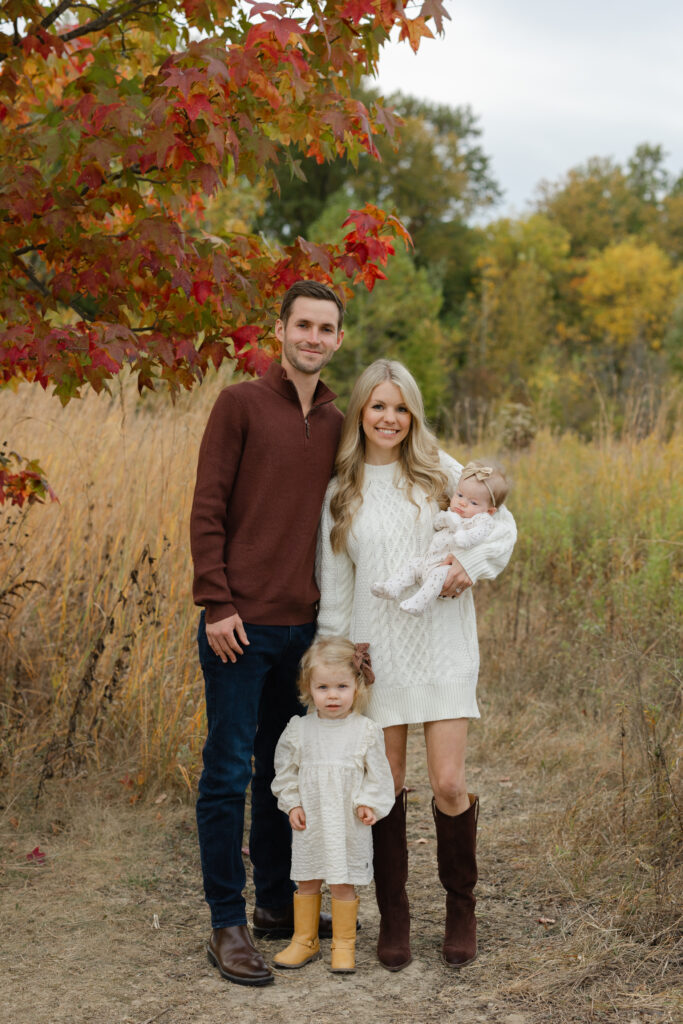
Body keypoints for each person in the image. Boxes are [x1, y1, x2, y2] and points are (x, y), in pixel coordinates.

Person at [316, 359, 517, 971]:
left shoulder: (441, 471)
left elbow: (502, 527)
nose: (389, 418)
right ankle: (394, 915)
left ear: (413, 414)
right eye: (378, 406)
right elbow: (337, 586)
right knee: (387, 788)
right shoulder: (340, 490)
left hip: (444, 648)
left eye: (400, 407)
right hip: (379, 658)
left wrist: (470, 568)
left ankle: (461, 907)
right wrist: (337, 653)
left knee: (450, 784)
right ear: (360, 412)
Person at [190, 280, 345, 987]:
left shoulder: (341, 423)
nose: (313, 337)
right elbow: (207, 506)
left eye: (326, 329)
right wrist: (216, 601)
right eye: (302, 325)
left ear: (338, 340)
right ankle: (227, 922)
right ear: (280, 329)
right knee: (226, 774)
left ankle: (277, 907)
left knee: (282, 775)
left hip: (301, 634)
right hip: (238, 628)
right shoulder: (240, 404)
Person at [271, 636, 395, 973]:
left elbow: (379, 775)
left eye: (341, 686)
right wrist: (292, 802)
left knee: (342, 881)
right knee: (307, 878)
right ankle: (305, 939)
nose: (333, 695)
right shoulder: (299, 730)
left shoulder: (365, 731)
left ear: (356, 686)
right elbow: (285, 771)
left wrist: (369, 803)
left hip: (346, 821)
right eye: (323, 687)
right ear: (309, 688)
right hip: (311, 818)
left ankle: (344, 945)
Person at [371, 460, 510, 616]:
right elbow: (437, 523)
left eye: (473, 502)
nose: (462, 503)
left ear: (490, 511)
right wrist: (447, 519)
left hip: (446, 567)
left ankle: (419, 604)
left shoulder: (482, 521)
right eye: (459, 495)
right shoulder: (453, 513)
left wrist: (462, 534)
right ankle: (392, 587)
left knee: (437, 577)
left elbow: (475, 536)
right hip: (429, 560)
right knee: (413, 565)